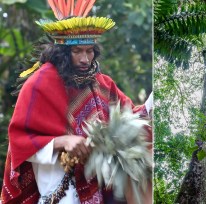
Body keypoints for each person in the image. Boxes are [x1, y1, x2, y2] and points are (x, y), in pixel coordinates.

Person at [0, 0, 152, 203]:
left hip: (98, 192)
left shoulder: (101, 83)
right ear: (62, 52)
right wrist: (61, 142)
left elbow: (133, 119)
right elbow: (20, 144)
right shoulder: (39, 83)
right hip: (58, 193)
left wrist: (154, 101)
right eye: (77, 51)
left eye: (89, 51)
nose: (85, 59)